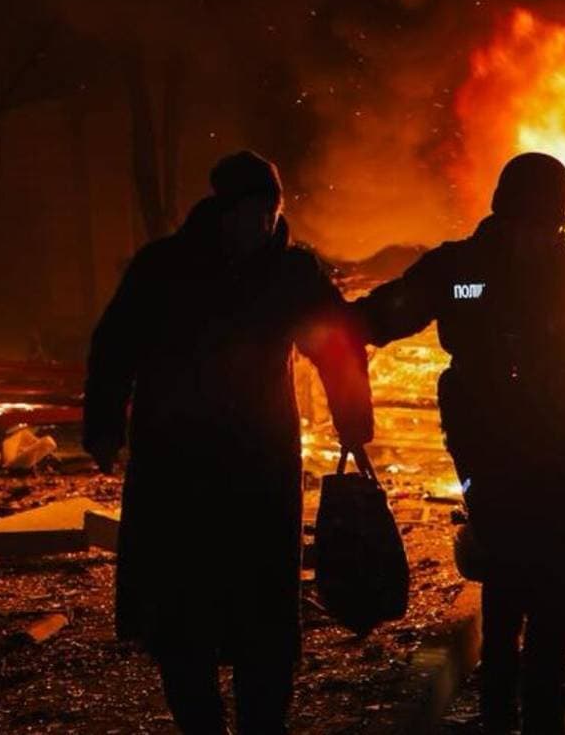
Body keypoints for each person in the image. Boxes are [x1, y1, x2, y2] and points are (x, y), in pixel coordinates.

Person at [356, 152, 565, 734]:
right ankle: (511, 708)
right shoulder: (471, 268)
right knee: (515, 568)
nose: (534, 234)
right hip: (494, 447)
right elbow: (393, 310)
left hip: (541, 446)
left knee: (543, 573)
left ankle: (528, 708)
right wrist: (343, 326)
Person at [84, 151, 372, 735]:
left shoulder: (290, 273)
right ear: (223, 210)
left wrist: (353, 421)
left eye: (270, 211)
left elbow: (337, 344)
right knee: (181, 616)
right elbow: (115, 346)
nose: (261, 223)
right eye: (250, 211)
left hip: (258, 467)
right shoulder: (165, 267)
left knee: (263, 616)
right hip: (177, 466)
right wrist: (104, 426)